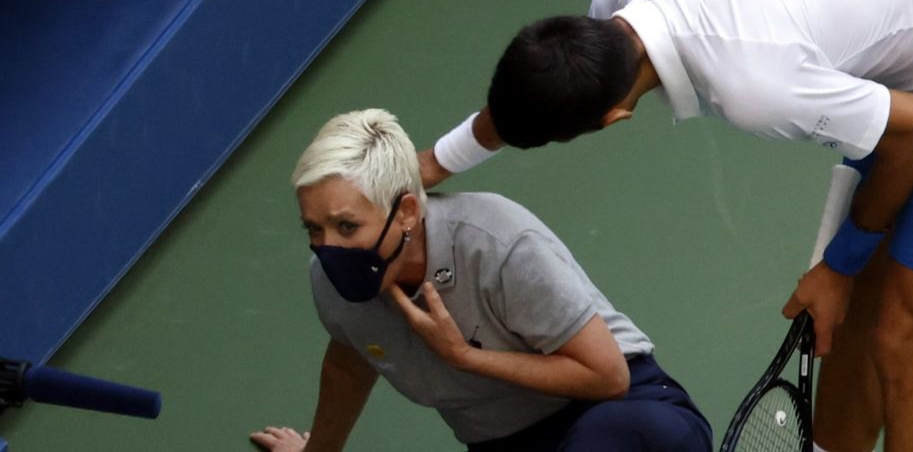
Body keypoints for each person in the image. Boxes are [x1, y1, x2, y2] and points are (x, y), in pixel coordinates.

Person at [417, 0, 913, 452]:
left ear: (612, 119)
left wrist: (839, 265)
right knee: (854, 322)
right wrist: (431, 164)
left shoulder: (755, 83)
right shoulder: (614, 5)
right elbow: (526, 100)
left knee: (906, 344)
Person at [250, 109, 712, 452]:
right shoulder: (332, 284)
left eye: (347, 226)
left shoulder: (497, 243)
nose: (328, 247)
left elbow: (607, 376)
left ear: (406, 211)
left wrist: (465, 357)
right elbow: (350, 359)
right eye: (313, 228)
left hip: (623, 418)